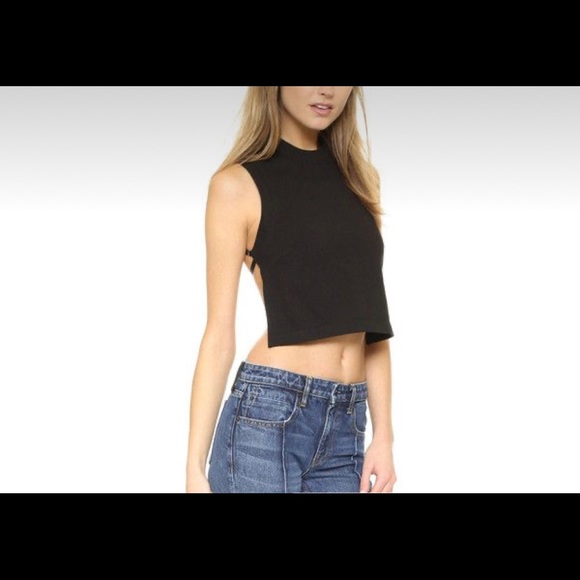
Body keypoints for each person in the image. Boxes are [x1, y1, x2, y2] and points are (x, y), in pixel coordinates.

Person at [186, 86, 396, 493]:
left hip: (347, 423)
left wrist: (384, 435)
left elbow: (371, 322)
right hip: (268, 415)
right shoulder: (235, 186)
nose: (327, 90)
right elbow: (218, 333)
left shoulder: (360, 181)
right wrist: (194, 468)